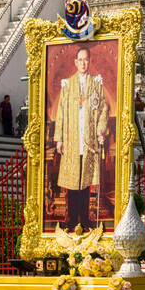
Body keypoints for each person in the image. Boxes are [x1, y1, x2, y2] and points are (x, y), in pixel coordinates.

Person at [52, 46, 110, 230]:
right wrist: (59, 139)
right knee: (72, 180)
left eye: (86, 60)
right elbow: (60, 113)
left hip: (89, 140)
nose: (83, 63)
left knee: (85, 181)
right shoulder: (67, 85)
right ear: (75, 62)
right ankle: (71, 217)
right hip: (71, 138)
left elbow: (103, 110)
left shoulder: (96, 85)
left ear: (89, 61)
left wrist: (100, 130)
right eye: (80, 60)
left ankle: (85, 218)